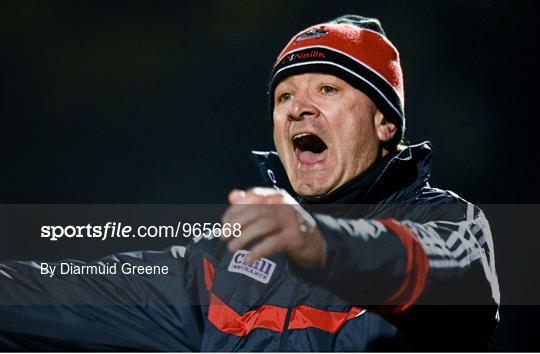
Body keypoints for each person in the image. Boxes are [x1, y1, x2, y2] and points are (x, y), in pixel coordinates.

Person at [0, 15, 499, 351]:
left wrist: (316, 241)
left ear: (385, 124)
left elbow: (448, 275)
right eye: (284, 96)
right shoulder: (229, 264)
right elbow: (60, 290)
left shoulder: (451, 225)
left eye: (327, 88)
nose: (297, 107)